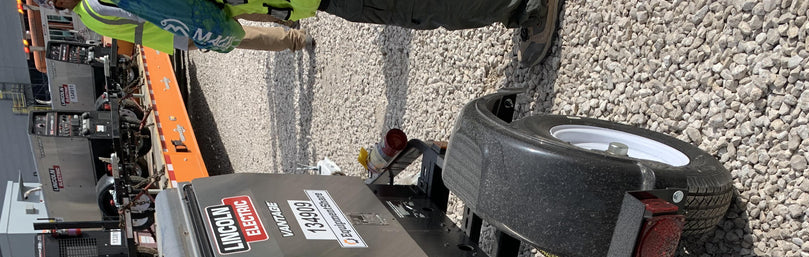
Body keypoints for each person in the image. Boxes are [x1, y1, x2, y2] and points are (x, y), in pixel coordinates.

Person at [45, 0, 560, 66]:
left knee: (406, 7)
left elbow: (196, 25)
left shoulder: (100, 8)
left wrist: (219, 38)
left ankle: (522, 7)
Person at [42, 0, 312, 53]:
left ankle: (294, 35)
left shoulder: (87, 17)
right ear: (60, 3)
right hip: (179, 21)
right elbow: (143, 11)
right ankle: (293, 31)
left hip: (175, 35)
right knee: (236, 12)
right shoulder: (93, 5)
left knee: (238, 35)